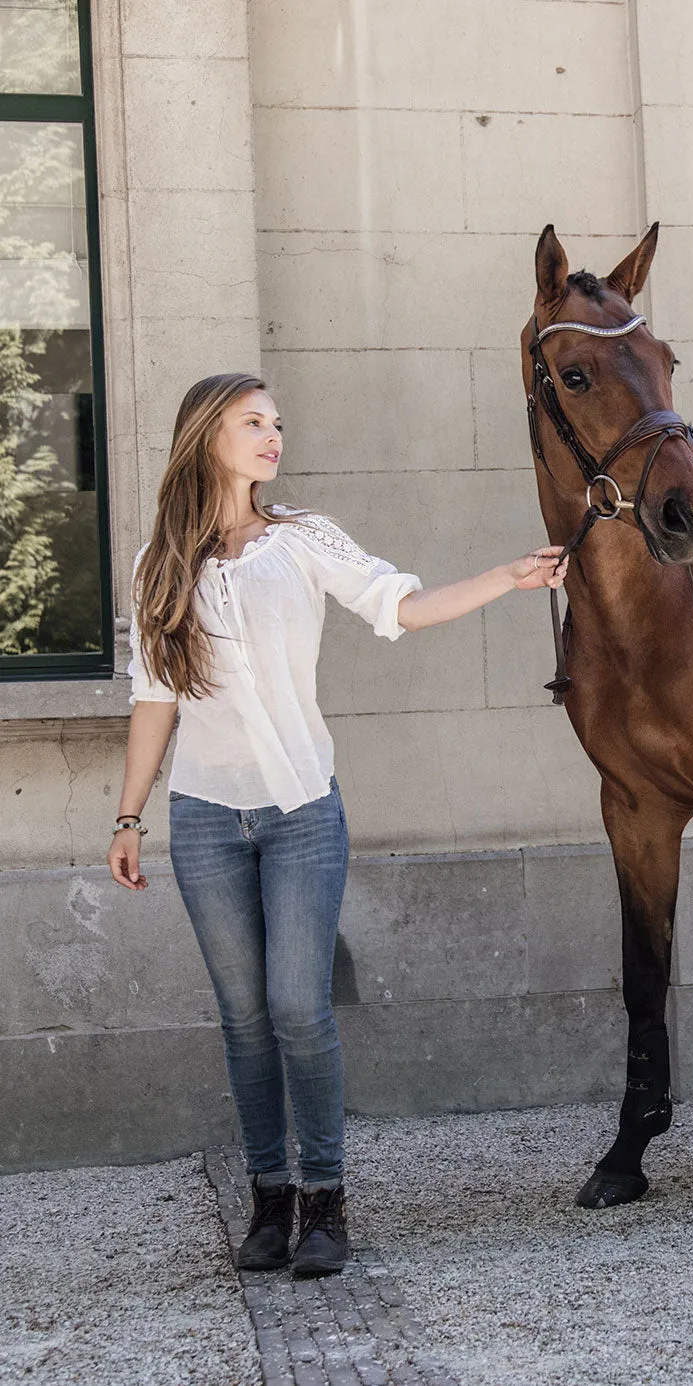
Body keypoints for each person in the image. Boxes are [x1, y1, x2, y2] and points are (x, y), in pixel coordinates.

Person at [106, 373, 566, 1278]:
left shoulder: (301, 538)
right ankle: (268, 1202)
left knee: (296, 1010)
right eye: (253, 423)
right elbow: (153, 699)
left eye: (278, 423)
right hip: (202, 815)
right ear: (207, 436)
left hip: (303, 812)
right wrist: (129, 815)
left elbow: (398, 604)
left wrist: (505, 578)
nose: (274, 437)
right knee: (243, 1019)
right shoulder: (159, 561)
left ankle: (325, 1199)